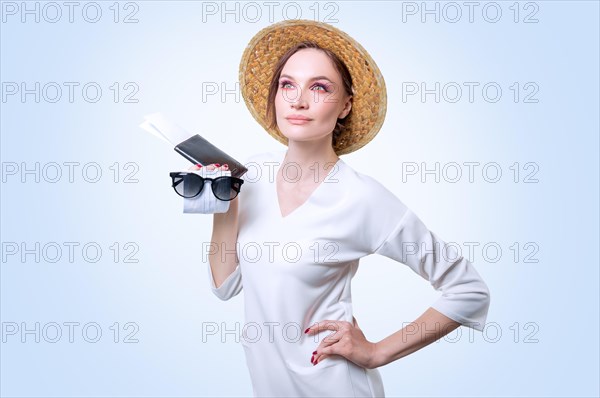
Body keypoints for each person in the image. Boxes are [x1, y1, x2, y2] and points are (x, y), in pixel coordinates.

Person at [196, 20, 491, 397]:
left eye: (319, 88)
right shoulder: (252, 173)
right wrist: (225, 201)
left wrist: (376, 352)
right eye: (287, 85)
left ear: (346, 105)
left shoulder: (361, 198)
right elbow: (225, 287)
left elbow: (469, 289)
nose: (298, 101)